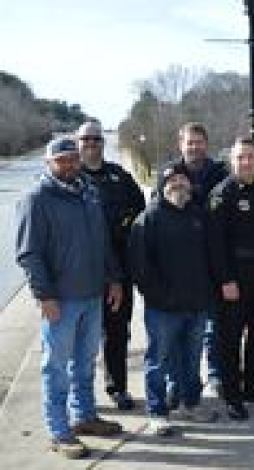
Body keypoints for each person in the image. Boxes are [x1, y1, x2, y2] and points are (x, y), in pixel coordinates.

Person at [15, 136, 123, 459]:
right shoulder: (37, 199)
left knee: (86, 362)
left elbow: (102, 242)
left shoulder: (88, 193)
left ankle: (85, 416)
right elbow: (29, 254)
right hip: (60, 300)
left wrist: (114, 279)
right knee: (56, 368)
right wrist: (44, 295)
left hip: (92, 296)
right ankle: (59, 431)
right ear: (49, 163)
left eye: (73, 158)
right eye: (61, 160)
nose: (69, 165)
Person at [130, 164, 218, 436]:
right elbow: (140, 269)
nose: (178, 184)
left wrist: (207, 293)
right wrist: (160, 297)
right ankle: (157, 412)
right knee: (159, 360)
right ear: (161, 186)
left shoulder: (199, 216)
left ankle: (190, 403)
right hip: (163, 309)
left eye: (183, 180)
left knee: (191, 360)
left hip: (196, 305)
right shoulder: (148, 219)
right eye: (172, 180)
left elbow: (210, 258)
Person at [208, 138, 254, 421]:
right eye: (240, 158)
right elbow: (215, 243)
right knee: (230, 338)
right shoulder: (221, 194)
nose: (245, 162)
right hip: (234, 276)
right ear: (232, 161)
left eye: (250, 157)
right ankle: (233, 396)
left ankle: (253, 387)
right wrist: (226, 279)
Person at [77, 121, 145, 411]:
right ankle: (79, 397)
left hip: (118, 268)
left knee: (117, 331)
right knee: (80, 337)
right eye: (86, 139)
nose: (91, 144)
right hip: (81, 271)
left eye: (96, 139)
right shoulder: (70, 177)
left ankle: (117, 387)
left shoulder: (119, 177)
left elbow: (141, 213)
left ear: (103, 143)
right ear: (78, 142)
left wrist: (124, 227)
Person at [158, 122, 228, 399]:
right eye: (190, 142)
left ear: (206, 144)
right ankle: (179, 383)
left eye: (199, 142)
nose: (194, 147)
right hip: (179, 266)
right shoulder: (170, 173)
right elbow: (159, 207)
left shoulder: (219, 171)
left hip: (211, 260)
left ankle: (215, 376)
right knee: (178, 332)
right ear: (181, 144)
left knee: (212, 328)